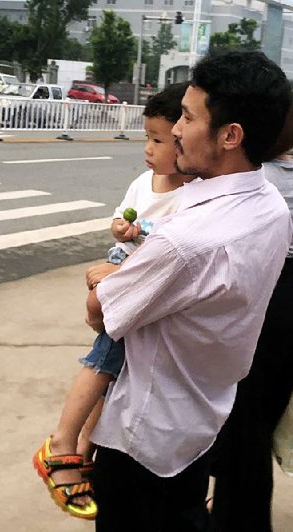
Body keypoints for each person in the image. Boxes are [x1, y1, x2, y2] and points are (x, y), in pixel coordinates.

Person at [84, 50, 293, 531]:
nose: (176, 129)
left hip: (142, 438)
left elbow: (101, 314)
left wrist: (99, 280)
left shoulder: (186, 243)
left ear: (230, 135)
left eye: (188, 116)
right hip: (201, 420)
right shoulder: (272, 206)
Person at [33, 82, 192, 520]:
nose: (149, 149)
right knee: (105, 358)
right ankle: (62, 442)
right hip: (127, 278)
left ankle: (83, 448)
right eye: (148, 138)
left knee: (115, 372)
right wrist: (120, 235)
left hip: (141, 284)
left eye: (159, 141)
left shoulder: (193, 195)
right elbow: (124, 227)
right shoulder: (146, 183)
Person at [208, 101, 293, 531]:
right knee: (261, 417)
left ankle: (238, 519)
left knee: (239, 420)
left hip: (260, 293)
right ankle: (240, 512)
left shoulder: (256, 178)